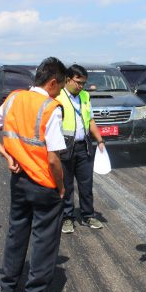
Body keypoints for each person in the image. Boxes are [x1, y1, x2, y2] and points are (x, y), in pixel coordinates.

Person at [0, 57, 67, 292]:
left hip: (19, 181)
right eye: (59, 86)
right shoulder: (51, 108)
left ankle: (8, 287)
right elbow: (53, 157)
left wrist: (6, 154)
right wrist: (60, 187)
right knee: (44, 239)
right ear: (52, 82)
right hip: (44, 184)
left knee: (17, 232)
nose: (59, 91)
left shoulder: (14, 99)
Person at [57, 64, 106, 234]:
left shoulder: (85, 96)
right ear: (68, 80)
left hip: (84, 145)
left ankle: (88, 215)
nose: (81, 86)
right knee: (66, 184)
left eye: (83, 83)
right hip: (64, 147)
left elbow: (90, 120)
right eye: (78, 82)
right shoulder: (58, 96)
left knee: (86, 184)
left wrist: (99, 140)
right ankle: (67, 218)